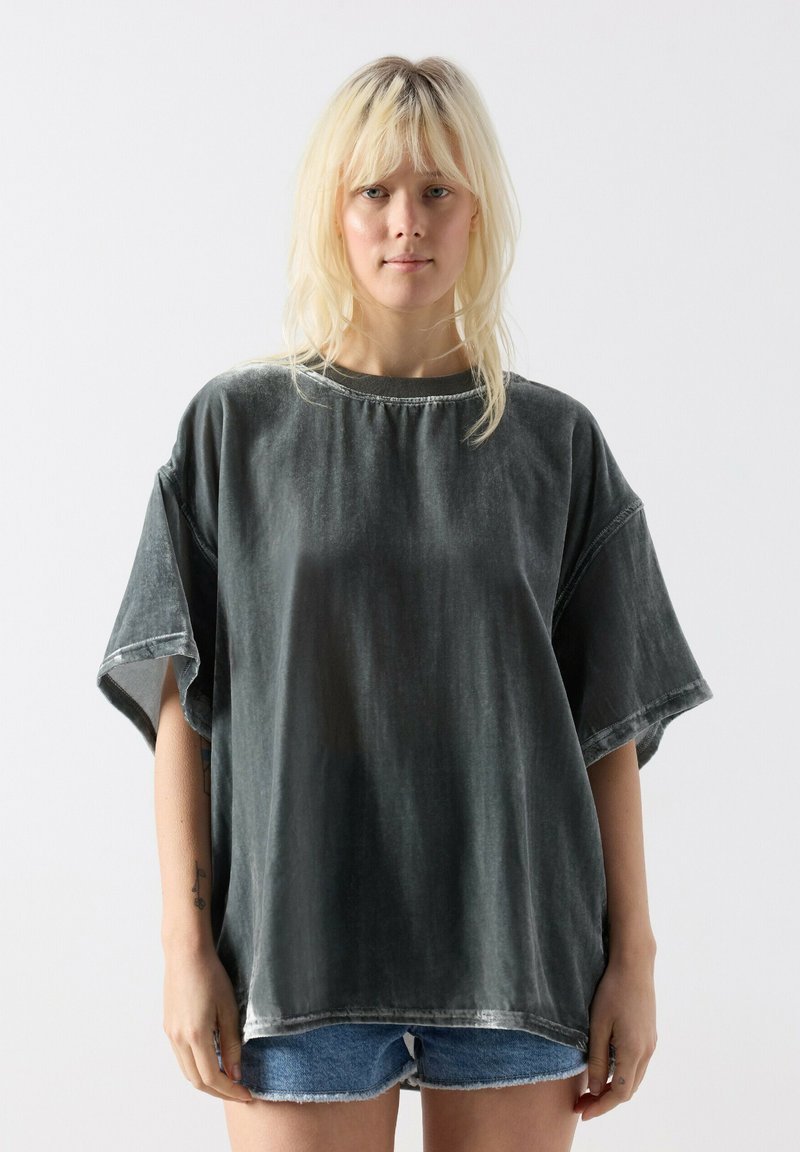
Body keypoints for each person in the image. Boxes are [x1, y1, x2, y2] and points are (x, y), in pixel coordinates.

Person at [96, 55, 713, 1152]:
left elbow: (605, 727)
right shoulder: (234, 433)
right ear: (330, 210)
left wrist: (635, 958)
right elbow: (182, 707)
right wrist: (185, 949)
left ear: (479, 212)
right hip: (296, 951)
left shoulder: (555, 445)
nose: (405, 223)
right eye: (372, 190)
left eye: (436, 191)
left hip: (518, 948)